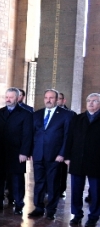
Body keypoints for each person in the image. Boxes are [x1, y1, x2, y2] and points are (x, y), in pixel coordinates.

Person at [0, 87, 33, 215]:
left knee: (17, 179)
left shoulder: (26, 114)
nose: (8, 99)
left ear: (18, 98)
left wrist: (24, 152)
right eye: (6, 97)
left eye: (11, 97)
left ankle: (19, 204)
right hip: (0, 152)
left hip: (17, 153)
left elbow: (27, 135)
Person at [28, 89, 71, 220]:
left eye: (51, 98)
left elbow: (67, 136)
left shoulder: (66, 115)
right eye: (46, 97)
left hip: (55, 156)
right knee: (39, 182)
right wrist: (31, 152)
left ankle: (51, 210)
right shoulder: (36, 114)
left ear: (57, 99)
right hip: (38, 154)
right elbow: (31, 135)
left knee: (53, 183)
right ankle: (38, 207)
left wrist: (62, 154)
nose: (48, 100)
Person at [64, 93, 100, 227]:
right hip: (77, 159)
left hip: (96, 161)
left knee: (96, 191)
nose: (91, 103)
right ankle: (76, 214)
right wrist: (67, 156)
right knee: (76, 190)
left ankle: (94, 216)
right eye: (89, 100)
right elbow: (69, 139)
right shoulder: (78, 119)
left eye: (94, 101)